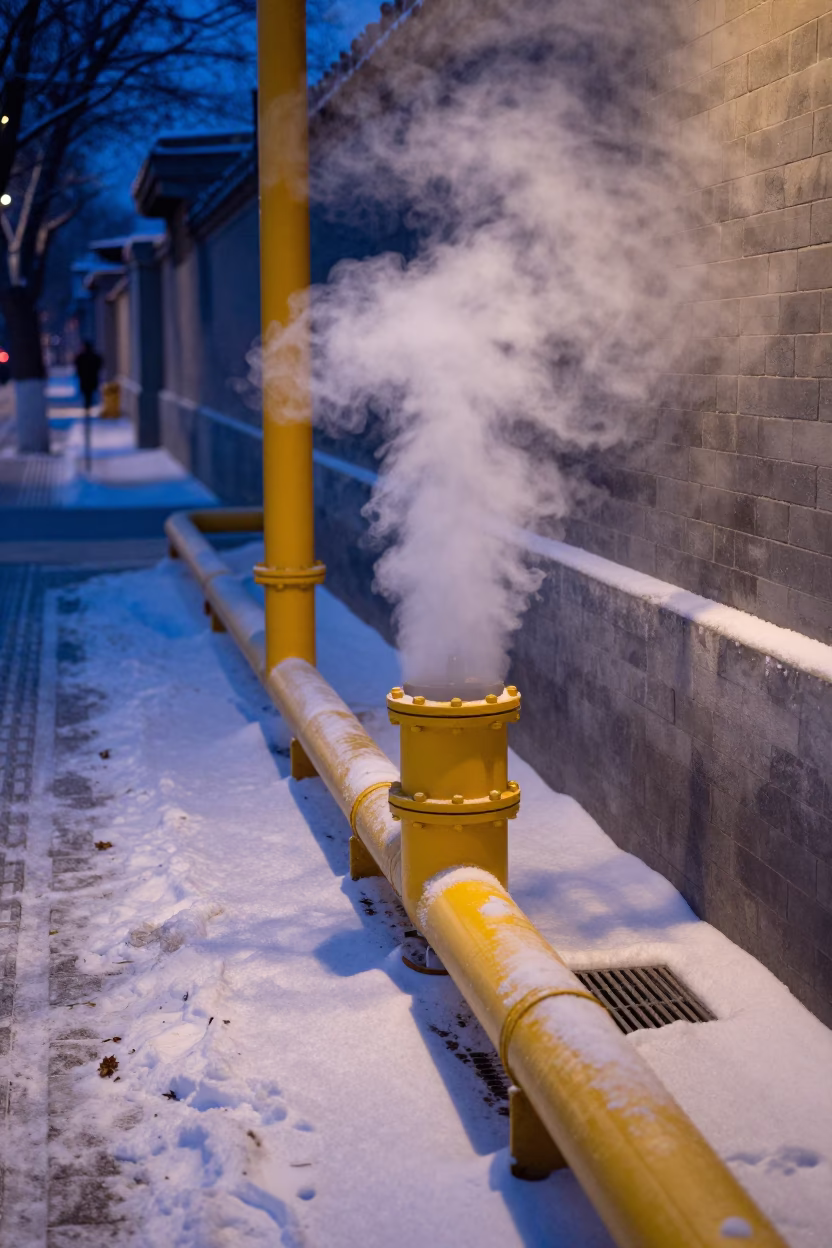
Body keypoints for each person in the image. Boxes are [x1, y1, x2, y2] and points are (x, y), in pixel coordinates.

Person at [74, 340, 103, 471]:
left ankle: (88, 408)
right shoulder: (94, 356)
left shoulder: (81, 357)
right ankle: (88, 408)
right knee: (89, 395)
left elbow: (77, 365)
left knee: (87, 395)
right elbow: (100, 363)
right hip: (92, 380)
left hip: (85, 381)